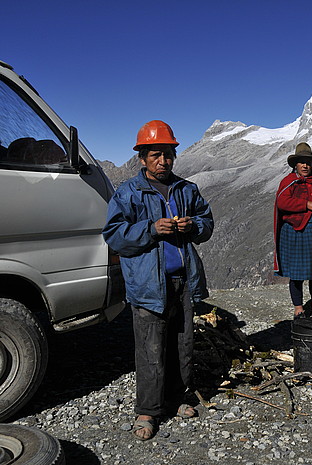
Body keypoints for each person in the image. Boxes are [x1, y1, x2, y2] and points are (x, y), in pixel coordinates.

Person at [102, 120, 214, 441]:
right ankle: (147, 411)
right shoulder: (129, 192)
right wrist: (151, 229)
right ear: (142, 158)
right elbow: (114, 235)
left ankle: (176, 399)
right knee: (151, 347)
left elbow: (207, 224)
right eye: (156, 155)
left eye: (167, 154)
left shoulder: (186, 189)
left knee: (182, 344)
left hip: (183, 281)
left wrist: (192, 226)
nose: (163, 161)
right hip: (149, 286)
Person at [274, 142, 312, 318]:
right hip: (296, 233)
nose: (305, 165)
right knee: (297, 273)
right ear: (296, 164)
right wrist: (306, 204)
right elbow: (282, 202)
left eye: (308, 162)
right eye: (301, 162)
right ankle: (299, 308)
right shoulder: (289, 183)